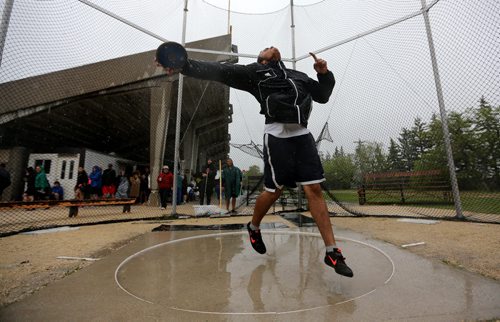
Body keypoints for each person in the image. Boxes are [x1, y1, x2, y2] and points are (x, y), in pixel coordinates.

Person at [157, 45, 353, 277]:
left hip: (302, 134)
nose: (271, 46)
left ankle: (332, 252)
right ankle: (254, 226)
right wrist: (184, 64)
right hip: (277, 134)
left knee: (314, 189)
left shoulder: (297, 75)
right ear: (261, 59)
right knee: (273, 191)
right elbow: (218, 71)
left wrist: (324, 74)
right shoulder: (254, 73)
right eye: (265, 48)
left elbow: (322, 96)